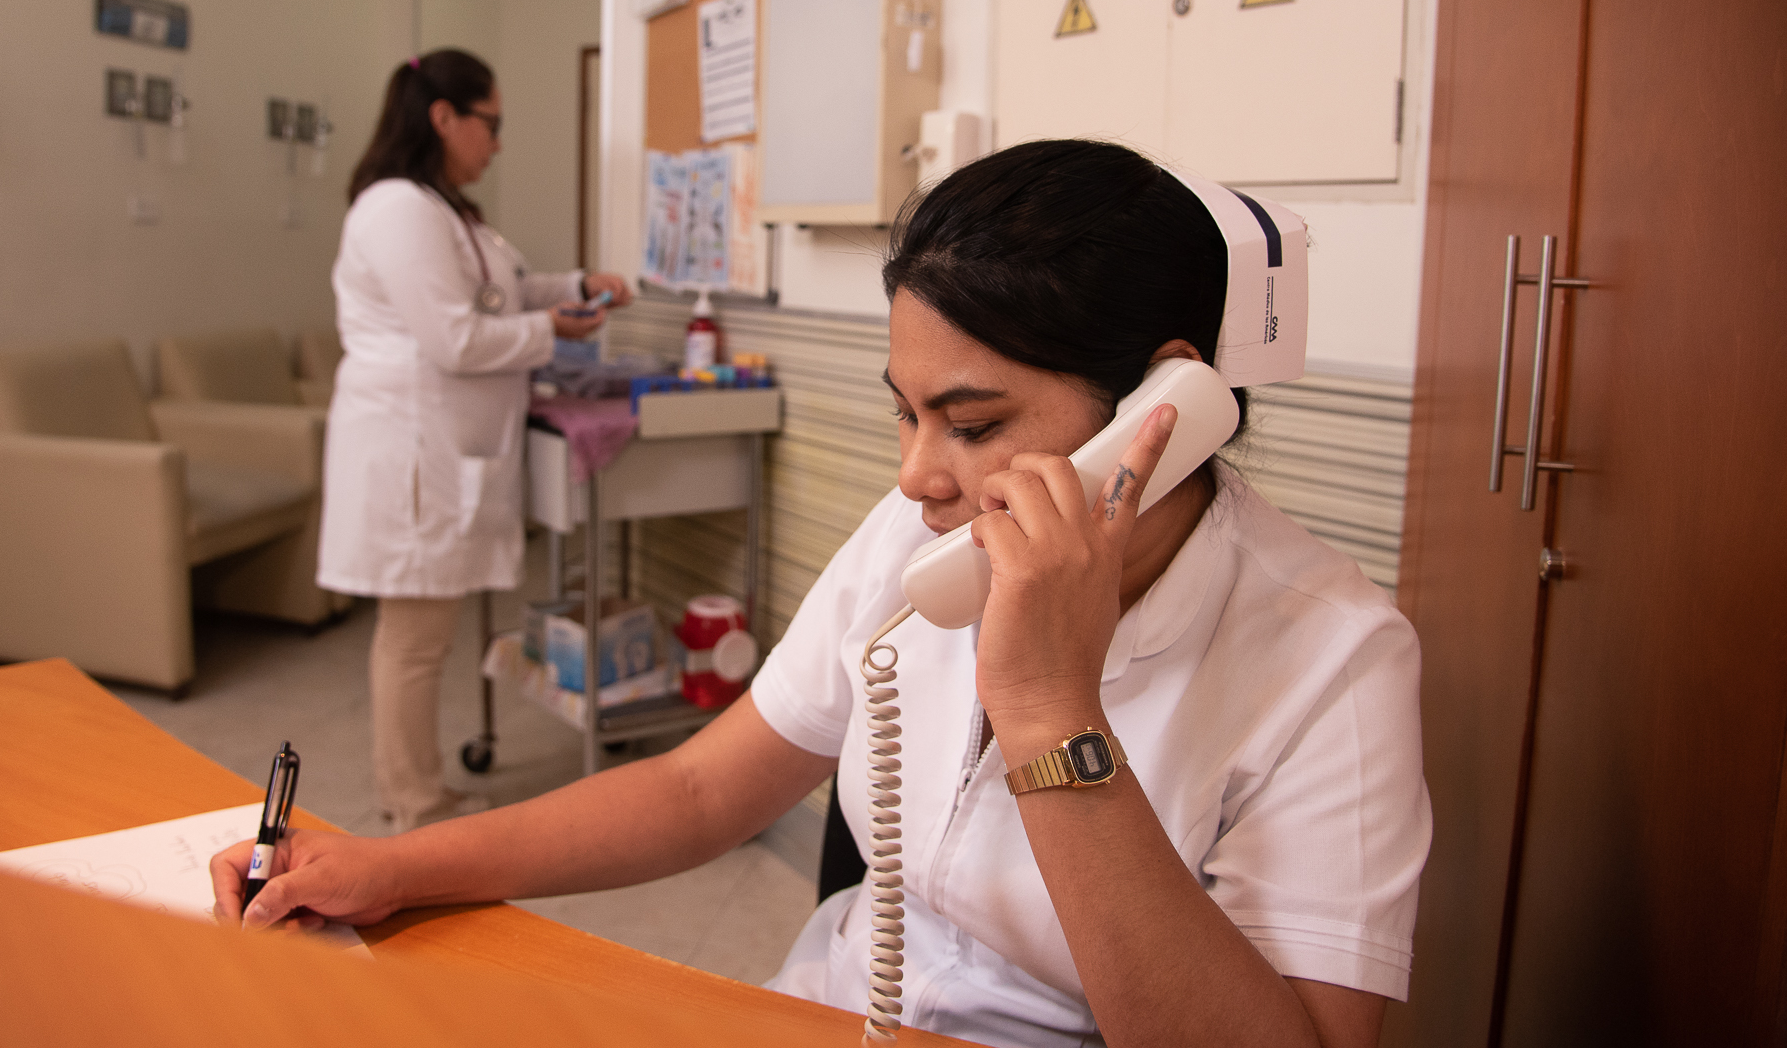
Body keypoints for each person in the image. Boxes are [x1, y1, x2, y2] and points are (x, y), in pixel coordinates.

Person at [218, 139, 1429, 1048]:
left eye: (971, 423)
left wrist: (1051, 712)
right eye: (905, 414)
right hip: (826, 1010)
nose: (915, 476)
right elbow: (702, 786)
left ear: (1157, 418)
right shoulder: (919, 531)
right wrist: (397, 865)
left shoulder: (1333, 656)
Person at [316, 49, 633, 832]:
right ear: (443, 117)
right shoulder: (397, 208)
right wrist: (552, 329)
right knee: (414, 641)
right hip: (411, 450)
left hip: (441, 446)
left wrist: (572, 287)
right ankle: (415, 804)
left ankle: (412, 791)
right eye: (489, 124)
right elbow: (456, 338)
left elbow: (500, 294)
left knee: (419, 637)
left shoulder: (444, 209)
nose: (497, 142)